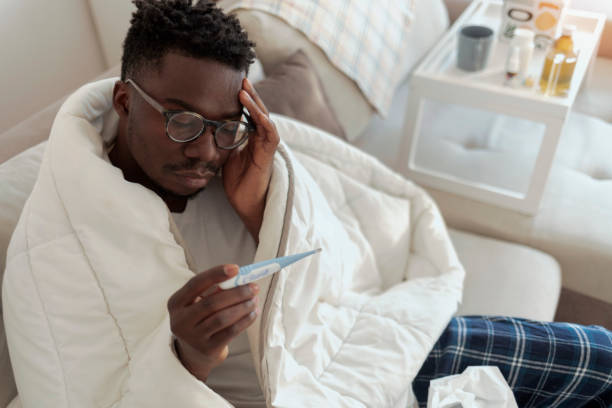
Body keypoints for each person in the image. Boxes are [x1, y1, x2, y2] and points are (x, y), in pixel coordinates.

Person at [2, 1, 610, 407]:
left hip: (376, 342)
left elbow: (340, 276)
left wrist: (264, 207)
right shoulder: (55, 244)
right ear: (125, 101)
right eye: (184, 122)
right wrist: (186, 360)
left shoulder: (238, 169)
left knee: (600, 358)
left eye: (226, 125)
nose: (206, 152)